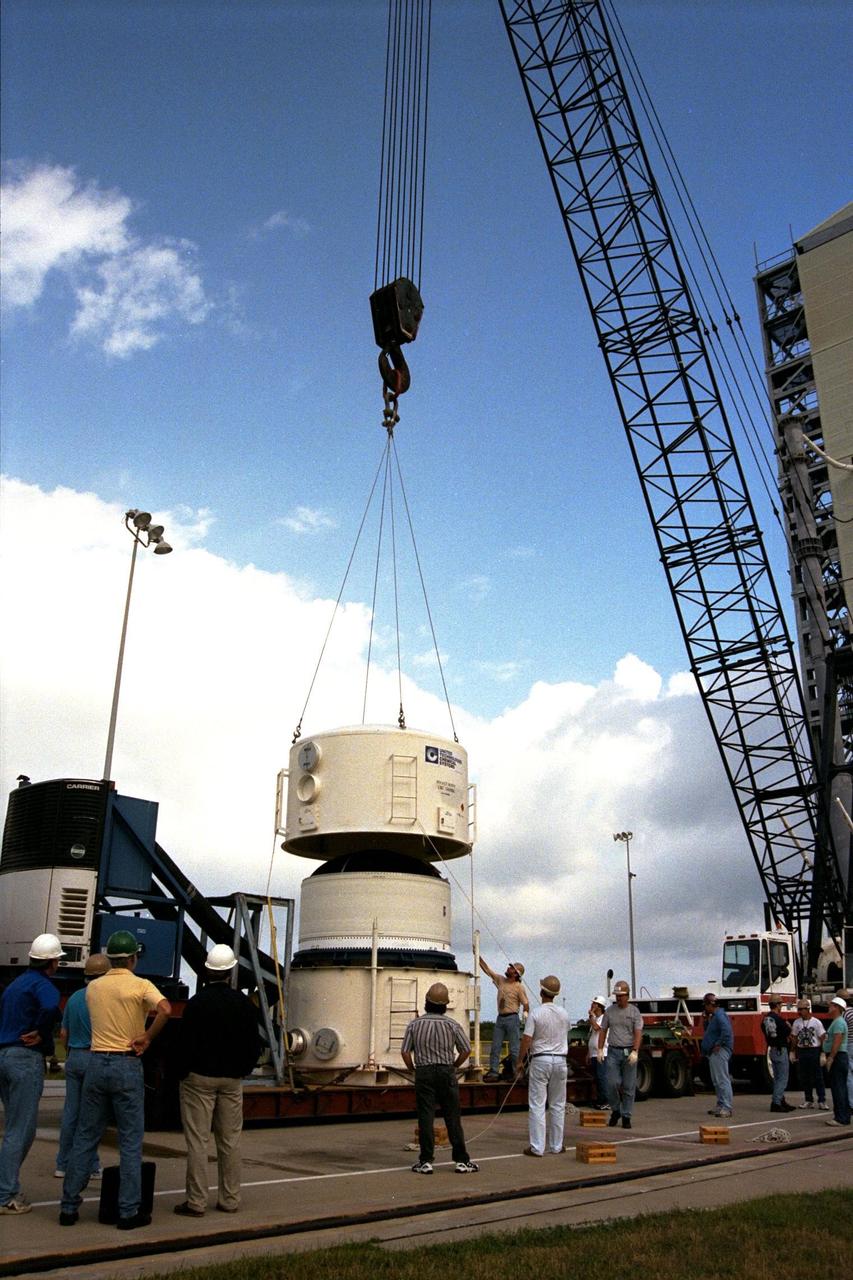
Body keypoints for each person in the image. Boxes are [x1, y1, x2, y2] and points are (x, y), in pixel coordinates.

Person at [59, 930, 172, 1229]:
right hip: (126, 1063)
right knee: (130, 1141)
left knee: (86, 1135)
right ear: (133, 958)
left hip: (96, 1061)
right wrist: (146, 1037)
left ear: (110, 959)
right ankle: (128, 1212)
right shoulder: (140, 985)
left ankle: (68, 1206)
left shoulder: (94, 988)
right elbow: (165, 1009)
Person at [173, 944, 262, 1217]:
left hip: (199, 1079)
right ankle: (230, 1199)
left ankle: (196, 1202)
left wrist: (184, 1072)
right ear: (231, 971)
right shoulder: (244, 1005)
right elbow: (254, 1045)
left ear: (207, 971)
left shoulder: (197, 1003)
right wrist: (242, 1070)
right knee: (230, 1140)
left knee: (198, 1141)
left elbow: (184, 1043)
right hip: (232, 1081)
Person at [0, 933, 64, 1215]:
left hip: (4, 1053)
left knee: (15, 1126)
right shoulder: (43, 985)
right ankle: (6, 1194)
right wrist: (41, 1032)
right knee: (21, 1130)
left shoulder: (15, 985)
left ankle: (5, 1186)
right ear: (52, 962)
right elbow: (51, 1006)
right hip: (24, 1058)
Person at [401, 982, 478, 1175]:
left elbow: (404, 1052)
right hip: (446, 1071)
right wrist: (454, 1066)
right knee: (452, 1116)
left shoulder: (415, 1024)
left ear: (426, 1002)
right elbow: (466, 1050)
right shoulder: (452, 1025)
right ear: (445, 1005)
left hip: (424, 1072)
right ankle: (461, 1161)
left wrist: (413, 1070)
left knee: (425, 1117)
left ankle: (426, 1161)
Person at [55, 952, 112, 1180]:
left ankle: (62, 1162)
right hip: (94, 1055)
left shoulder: (75, 998)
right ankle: (90, 1163)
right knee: (93, 1116)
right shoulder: (104, 997)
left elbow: (63, 1034)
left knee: (71, 1112)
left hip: (74, 1056)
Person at [515, 975, 570, 1156]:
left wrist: (520, 1061)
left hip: (541, 1059)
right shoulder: (564, 1014)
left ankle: (537, 1147)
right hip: (560, 1060)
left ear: (542, 991)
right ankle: (556, 1145)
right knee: (557, 1104)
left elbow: (527, 1039)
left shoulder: (536, 1013)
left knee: (538, 1104)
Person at [598, 980, 642, 1129]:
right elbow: (603, 1030)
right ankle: (616, 1109)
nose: (618, 998)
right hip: (613, 1051)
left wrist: (635, 1050)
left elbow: (638, 1032)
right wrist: (599, 1049)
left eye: (621, 996)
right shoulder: (610, 1011)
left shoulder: (634, 1012)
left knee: (629, 1086)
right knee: (611, 1083)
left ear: (627, 996)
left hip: (629, 1051)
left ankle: (626, 1116)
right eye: (616, 996)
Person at [479, 956, 528, 1081]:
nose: (508, 968)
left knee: (514, 1048)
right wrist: (478, 958)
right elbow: (488, 971)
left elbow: (526, 1003)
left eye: (511, 968)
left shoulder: (519, 987)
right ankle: (494, 1072)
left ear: (516, 973)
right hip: (500, 1018)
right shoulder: (501, 980)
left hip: (512, 1018)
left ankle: (516, 1074)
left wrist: (526, 1013)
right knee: (495, 1046)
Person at [790, 998, 827, 1110]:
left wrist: (823, 1053)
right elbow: (794, 1038)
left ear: (808, 1009)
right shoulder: (797, 1022)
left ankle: (822, 1100)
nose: (800, 1012)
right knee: (805, 1076)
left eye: (802, 1009)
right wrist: (792, 1051)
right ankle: (808, 1099)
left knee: (818, 1076)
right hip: (802, 1050)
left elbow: (822, 1037)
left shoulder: (816, 1022)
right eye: (799, 1009)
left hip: (814, 1050)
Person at [701, 992, 734, 1118]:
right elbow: (710, 1031)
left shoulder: (719, 1015)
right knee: (717, 1080)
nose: (705, 1008)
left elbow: (727, 1031)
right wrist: (705, 1021)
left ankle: (726, 1107)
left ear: (710, 1004)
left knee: (721, 1079)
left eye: (705, 1005)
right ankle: (721, 1105)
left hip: (719, 1051)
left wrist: (718, 1044)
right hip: (714, 1051)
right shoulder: (715, 1016)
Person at [761, 995, 793, 1113]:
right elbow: (788, 1031)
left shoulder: (766, 1019)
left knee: (776, 1077)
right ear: (778, 1005)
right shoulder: (779, 1020)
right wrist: (788, 1026)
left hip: (772, 1049)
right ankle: (776, 1102)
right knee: (782, 1078)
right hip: (781, 1049)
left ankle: (781, 1099)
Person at [822, 995, 850, 1127]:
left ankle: (841, 1118)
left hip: (838, 1057)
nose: (829, 1007)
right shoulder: (837, 1021)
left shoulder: (838, 1022)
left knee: (838, 1088)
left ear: (837, 1008)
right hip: (839, 1057)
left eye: (831, 1006)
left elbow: (837, 1041)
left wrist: (831, 1058)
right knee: (840, 1087)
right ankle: (843, 1116)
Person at [587, 995, 609, 1109]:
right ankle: (599, 1100)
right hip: (594, 1054)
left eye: (594, 1004)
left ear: (600, 1006)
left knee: (602, 1077)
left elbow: (597, 1029)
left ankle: (605, 1101)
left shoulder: (604, 1018)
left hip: (602, 1053)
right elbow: (592, 1036)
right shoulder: (595, 1018)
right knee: (596, 1078)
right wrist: (588, 1054)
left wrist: (591, 1018)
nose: (592, 1005)